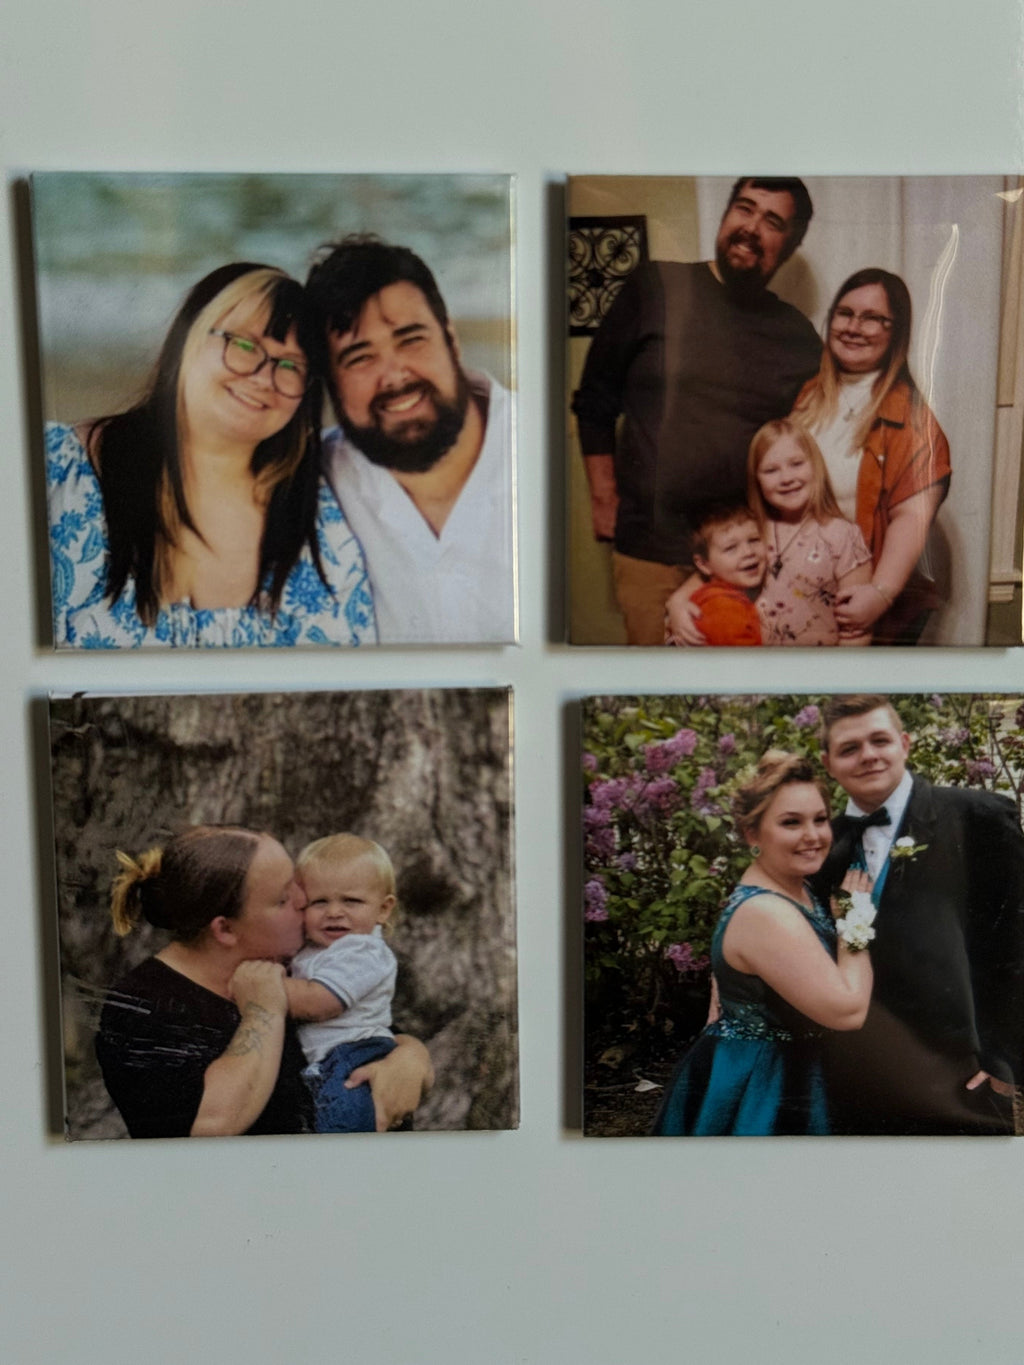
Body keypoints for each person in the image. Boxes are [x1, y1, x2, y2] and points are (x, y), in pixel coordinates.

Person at [47, 263, 375, 648]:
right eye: (245, 344)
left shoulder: (323, 525)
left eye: (290, 365)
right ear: (187, 338)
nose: (262, 377)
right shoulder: (58, 473)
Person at [571, 177, 822, 644]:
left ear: (791, 243)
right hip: (649, 548)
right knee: (657, 696)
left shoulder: (797, 337)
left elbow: (823, 426)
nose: (751, 227)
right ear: (725, 214)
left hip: (745, 556)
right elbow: (595, 398)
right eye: (744, 209)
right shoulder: (657, 286)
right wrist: (603, 498)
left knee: (733, 697)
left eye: (772, 221)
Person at [94, 826, 432, 1138]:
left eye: (296, 885)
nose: (305, 900)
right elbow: (209, 1125)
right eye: (283, 898)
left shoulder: (282, 960)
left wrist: (411, 1058)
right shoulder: (143, 1007)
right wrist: (262, 1012)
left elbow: (367, 1026)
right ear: (224, 929)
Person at [813, 696, 1024, 1134]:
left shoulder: (978, 815)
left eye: (880, 740)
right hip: (855, 1074)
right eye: (849, 748)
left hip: (963, 1074)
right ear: (828, 763)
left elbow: (1015, 940)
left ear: (904, 743)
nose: (868, 755)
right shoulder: (820, 845)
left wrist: (1003, 1064)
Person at [305, 235, 515, 644]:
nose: (396, 375)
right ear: (330, 385)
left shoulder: (548, 451)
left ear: (451, 340)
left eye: (411, 339)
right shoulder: (310, 485)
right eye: (360, 357)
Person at [653, 752, 872, 1136]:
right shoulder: (767, 913)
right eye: (791, 822)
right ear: (752, 834)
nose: (813, 836)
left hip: (786, 1067)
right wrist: (855, 919)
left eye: (820, 819)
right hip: (764, 1083)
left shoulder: (792, 884)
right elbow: (847, 1012)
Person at [791, 269, 951, 644]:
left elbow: (911, 517)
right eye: (845, 313)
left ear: (896, 333)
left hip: (859, 602)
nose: (853, 327)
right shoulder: (806, 397)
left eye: (873, 318)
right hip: (800, 594)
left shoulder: (912, 421)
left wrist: (879, 594)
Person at [667, 419, 874, 646]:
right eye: (771, 470)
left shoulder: (844, 536)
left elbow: (857, 630)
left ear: (815, 465)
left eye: (796, 464)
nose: (786, 478)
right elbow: (711, 571)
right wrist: (677, 602)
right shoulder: (753, 529)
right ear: (756, 479)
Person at [285, 834, 399, 1133]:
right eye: (319, 901)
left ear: (383, 909)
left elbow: (320, 1002)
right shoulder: (313, 949)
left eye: (351, 901)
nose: (334, 912)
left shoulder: (364, 951)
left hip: (355, 1053)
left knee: (344, 1117)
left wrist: (261, 987)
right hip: (327, 1058)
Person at [685, 504, 765, 646]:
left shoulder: (729, 596)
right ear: (704, 564)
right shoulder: (722, 608)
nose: (748, 552)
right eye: (731, 548)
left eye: (754, 540)